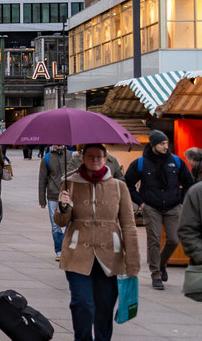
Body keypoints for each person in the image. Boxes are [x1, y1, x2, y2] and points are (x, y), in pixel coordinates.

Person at [55, 143, 139, 341]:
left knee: (105, 306)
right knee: (82, 303)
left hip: (110, 254)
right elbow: (61, 221)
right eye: (90, 156)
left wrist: (133, 261)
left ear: (105, 159)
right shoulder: (70, 182)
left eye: (99, 156)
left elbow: (128, 225)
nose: (95, 160)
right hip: (77, 253)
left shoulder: (118, 187)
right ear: (83, 158)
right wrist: (63, 207)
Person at [124, 129, 196, 289]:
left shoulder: (176, 162)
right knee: (154, 240)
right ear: (154, 144)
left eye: (166, 143)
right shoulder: (140, 163)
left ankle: (162, 263)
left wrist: (182, 201)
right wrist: (141, 203)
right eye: (162, 143)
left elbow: (189, 182)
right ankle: (155, 274)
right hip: (151, 206)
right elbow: (127, 184)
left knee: (174, 239)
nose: (165, 146)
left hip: (173, 206)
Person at [39, 143, 70, 260]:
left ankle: (66, 247)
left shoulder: (70, 155)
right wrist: (42, 199)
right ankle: (60, 250)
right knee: (55, 225)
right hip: (53, 195)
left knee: (70, 223)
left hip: (69, 195)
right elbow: (42, 180)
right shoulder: (47, 158)